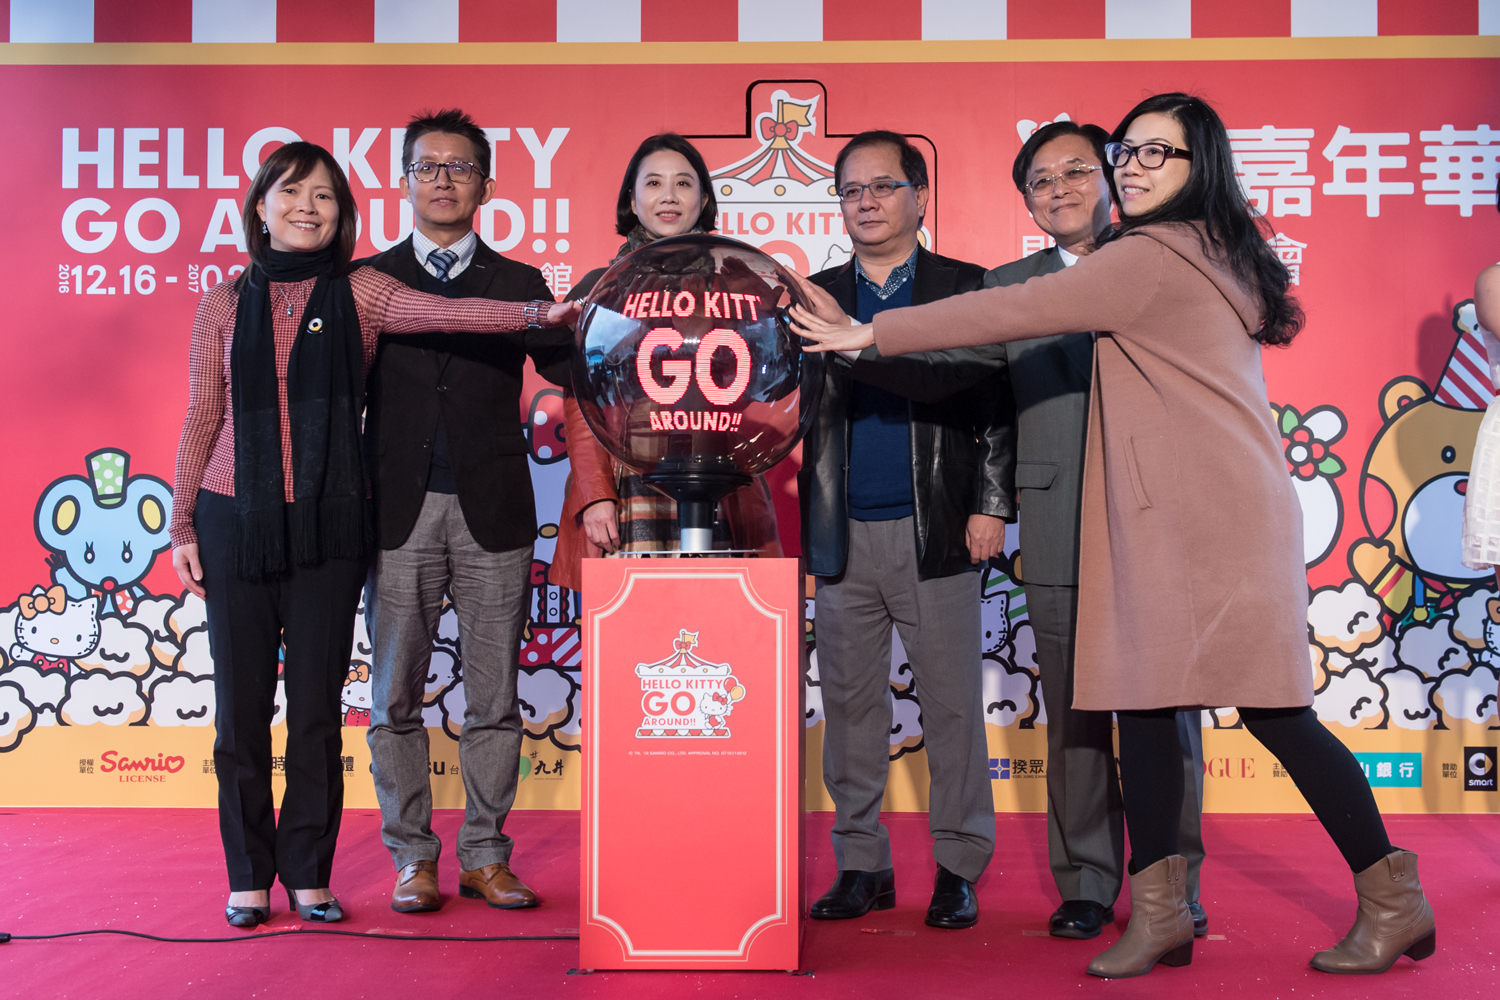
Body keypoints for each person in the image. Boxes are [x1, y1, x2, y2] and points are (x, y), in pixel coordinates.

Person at [791, 94, 1435, 978]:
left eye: (1155, 153)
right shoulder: (1207, 247)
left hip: (1211, 520)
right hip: (1172, 513)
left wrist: (868, 331)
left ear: (1200, 167)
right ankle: (1162, 912)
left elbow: (1005, 312)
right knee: (1145, 706)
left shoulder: (1151, 255)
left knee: (1275, 715)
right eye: (1128, 150)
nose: (1132, 165)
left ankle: (1393, 897)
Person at [169, 140, 577, 929]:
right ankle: (252, 877)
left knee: (318, 711)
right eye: (291, 193)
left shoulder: (361, 292)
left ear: (343, 212)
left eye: (323, 195)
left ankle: (312, 876)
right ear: (260, 207)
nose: (307, 207)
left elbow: (452, 313)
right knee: (241, 714)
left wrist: (539, 314)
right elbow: (202, 415)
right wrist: (181, 519)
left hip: (333, 521)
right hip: (240, 520)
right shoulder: (221, 303)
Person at [991, 120, 1208, 941]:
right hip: (1056, 520)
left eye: (1076, 170)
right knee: (1075, 716)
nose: (1060, 190)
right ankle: (1085, 880)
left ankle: (1172, 883)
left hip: (1156, 521)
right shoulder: (1009, 287)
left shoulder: (1161, 262)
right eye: (1040, 181)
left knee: (1166, 716)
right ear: (1027, 203)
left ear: (1113, 178)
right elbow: (986, 407)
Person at [360, 109, 573, 915]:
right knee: (393, 699)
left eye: (459, 167)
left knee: (495, 700)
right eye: (428, 166)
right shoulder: (367, 280)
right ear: (403, 180)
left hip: (495, 510)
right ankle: (411, 858)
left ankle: (485, 854)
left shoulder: (518, 282)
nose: (443, 179)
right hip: (396, 512)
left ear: (487, 185)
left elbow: (574, 370)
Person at [800, 131, 1012, 931]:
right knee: (850, 711)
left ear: (920, 196)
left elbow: (995, 402)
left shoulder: (964, 286)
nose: (866, 202)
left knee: (952, 709)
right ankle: (862, 865)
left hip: (939, 529)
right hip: (843, 535)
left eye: (883, 186)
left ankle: (958, 866)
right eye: (851, 190)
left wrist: (991, 504)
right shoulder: (814, 296)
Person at [551, 133, 779, 593]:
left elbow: (770, 381)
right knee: (629, 625)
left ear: (704, 199)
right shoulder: (602, 287)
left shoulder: (742, 282)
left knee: (723, 624)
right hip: (629, 478)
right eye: (653, 183)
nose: (669, 196)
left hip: (717, 476)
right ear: (632, 201)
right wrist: (596, 495)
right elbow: (581, 401)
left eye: (683, 183)